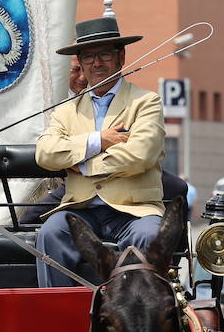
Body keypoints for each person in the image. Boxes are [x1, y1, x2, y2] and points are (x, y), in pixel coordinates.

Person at [35, 17, 165, 286]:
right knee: (49, 233)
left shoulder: (146, 102)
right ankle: (59, 317)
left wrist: (81, 165)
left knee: (150, 237)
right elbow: (46, 154)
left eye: (104, 54)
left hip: (134, 210)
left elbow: (140, 155)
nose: (97, 63)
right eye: (89, 56)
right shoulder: (66, 110)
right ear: (80, 63)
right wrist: (97, 140)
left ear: (121, 56)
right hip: (81, 208)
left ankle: (139, 319)